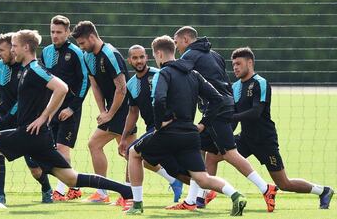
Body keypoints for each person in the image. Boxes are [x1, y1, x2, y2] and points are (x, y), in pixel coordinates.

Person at [0, 29, 133, 211]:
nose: (12, 50)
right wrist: (5, 122)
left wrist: (45, 116)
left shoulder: (35, 68)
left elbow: (62, 87)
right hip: (38, 137)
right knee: (70, 178)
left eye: (14, 46)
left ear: (26, 47)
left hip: (28, 134)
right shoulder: (27, 70)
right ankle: (126, 191)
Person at [124, 35, 247, 216]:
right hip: (190, 133)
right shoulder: (194, 74)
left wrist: (159, 125)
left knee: (134, 153)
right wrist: (203, 123)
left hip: (169, 131)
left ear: (158, 54)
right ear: (173, 51)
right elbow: (218, 100)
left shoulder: (163, 74)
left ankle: (137, 205)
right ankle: (236, 195)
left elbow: (159, 100)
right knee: (202, 178)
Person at [172, 26, 276, 212]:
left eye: (176, 41)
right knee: (198, 148)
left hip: (216, 110)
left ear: (186, 40)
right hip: (225, 106)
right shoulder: (215, 55)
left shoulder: (188, 57)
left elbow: (183, 83)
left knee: (228, 152)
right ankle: (192, 200)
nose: (175, 45)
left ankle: (265, 188)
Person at [230, 47, 334, 209]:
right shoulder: (235, 86)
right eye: (233, 64)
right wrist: (226, 131)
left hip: (265, 140)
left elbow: (256, 112)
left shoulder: (260, 83)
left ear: (250, 63)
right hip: (245, 138)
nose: (235, 67)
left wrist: (232, 117)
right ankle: (204, 195)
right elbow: (235, 115)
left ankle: (323, 191)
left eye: (238, 63)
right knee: (215, 154)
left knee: (284, 184)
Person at [71, 21, 136, 203]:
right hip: (113, 109)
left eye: (82, 43)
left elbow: (121, 88)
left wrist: (110, 113)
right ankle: (126, 193)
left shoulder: (110, 54)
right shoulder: (87, 56)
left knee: (102, 146)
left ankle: (109, 193)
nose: (81, 47)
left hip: (125, 108)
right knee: (131, 152)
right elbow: (95, 84)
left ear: (92, 37)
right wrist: (102, 110)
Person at [0, 32, 53, 207]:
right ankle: (0, 197)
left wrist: (4, 119)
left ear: (13, 49)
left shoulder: (26, 69)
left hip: (23, 121)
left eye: (2, 50)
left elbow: (20, 100)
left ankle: (47, 189)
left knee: (34, 167)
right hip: (2, 119)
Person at [117, 45, 183, 209]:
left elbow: (176, 96)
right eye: (135, 58)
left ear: (147, 57)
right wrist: (123, 138)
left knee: (135, 153)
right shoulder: (131, 84)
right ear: (129, 60)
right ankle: (177, 182)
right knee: (137, 155)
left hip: (167, 126)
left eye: (141, 57)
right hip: (151, 129)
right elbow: (133, 112)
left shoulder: (159, 74)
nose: (139, 61)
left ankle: (134, 200)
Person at [41, 15, 89, 201]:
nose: (55, 35)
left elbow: (85, 81)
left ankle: (60, 191)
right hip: (51, 109)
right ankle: (74, 188)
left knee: (62, 148)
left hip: (69, 110)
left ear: (68, 32)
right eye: (52, 31)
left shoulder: (76, 53)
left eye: (59, 32)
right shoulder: (45, 52)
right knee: (53, 149)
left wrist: (72, 108)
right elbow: (43, 79)